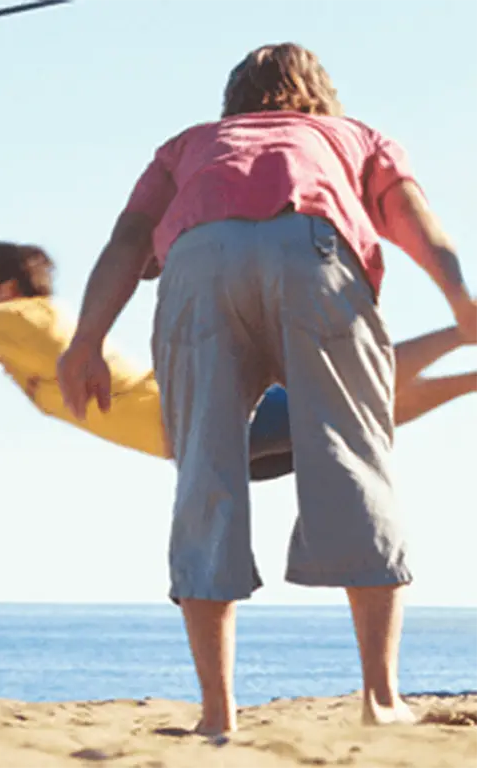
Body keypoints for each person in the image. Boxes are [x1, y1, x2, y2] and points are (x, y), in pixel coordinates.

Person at [55, 43, 477, 734]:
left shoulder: (189, 145)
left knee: (205, 474)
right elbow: (413, 220)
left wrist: (87, 340)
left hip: (197, 263)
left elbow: (129, 241)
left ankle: (217, 717)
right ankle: (380, 699)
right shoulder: (352, 135)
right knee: (352, 459)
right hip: (313, 250)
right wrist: (461, 299)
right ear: (317, 94)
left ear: (235, 100)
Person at [0, 241, 477, 481]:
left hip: (206, 417)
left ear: (8, 286)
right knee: (359, 414)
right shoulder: (27, 335)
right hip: (199, 440)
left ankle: (463, 337)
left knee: (353, 388)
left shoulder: (19, 320)